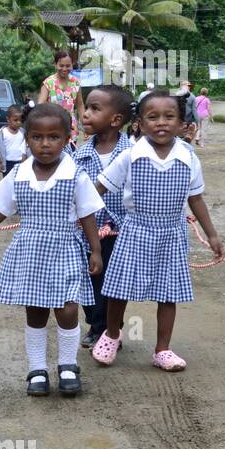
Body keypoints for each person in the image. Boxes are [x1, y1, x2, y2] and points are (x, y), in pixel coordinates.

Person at [0, 103, 104, 397]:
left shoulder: (75, 173)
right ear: (27, 138)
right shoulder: (19, 174)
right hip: (30, 251)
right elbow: (0, 209)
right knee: (35, 311)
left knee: (67, 309)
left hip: (65, 249)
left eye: (53, 137)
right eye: (37, 137)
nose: (45, 144)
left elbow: (87, 214)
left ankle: (67, 365)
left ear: (66, 139)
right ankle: (37, 368)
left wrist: (95, 250)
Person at [90, 90, 224, 372]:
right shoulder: (130, 155)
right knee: (118, 289)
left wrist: (211, 234)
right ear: (139, 123)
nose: (161, 123)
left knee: (168, 293)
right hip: (135, 231)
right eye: (153, 117)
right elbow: (98, 187)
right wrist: (76, 214)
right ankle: (111, 334)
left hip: (172, 234)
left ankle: (162, 349)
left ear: (182, 124)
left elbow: (196, 198)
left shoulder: (188, 156)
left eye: (169, 117)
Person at [75, 86, 134, 349]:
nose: (85, 114)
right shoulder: (79, 155)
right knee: (88, 278)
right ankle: (95, 324)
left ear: (116, 119)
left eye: (94, 109)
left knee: (115, 283)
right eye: (86, 107)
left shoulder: (133, 154)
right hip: (87, 231)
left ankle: (110, 330)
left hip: (121, 232)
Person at [38, 48, 81, 147]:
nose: (65, 69)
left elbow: (80, 105)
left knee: (70, 157)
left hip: (71, 129)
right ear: (55, 65)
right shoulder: (48, 83)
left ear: (72, 64)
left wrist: (86, 127)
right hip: (52, 128)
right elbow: (40, 107)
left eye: (68, 66)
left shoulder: (76, 83)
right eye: (61, 65)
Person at [0, 105, 27, 176]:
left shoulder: (23, 132)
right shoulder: (2, 133)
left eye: (21, 120)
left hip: (20, 162)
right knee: (8, 182)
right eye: (16, 120)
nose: (19, 123)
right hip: (7, 163)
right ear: (8, 119)